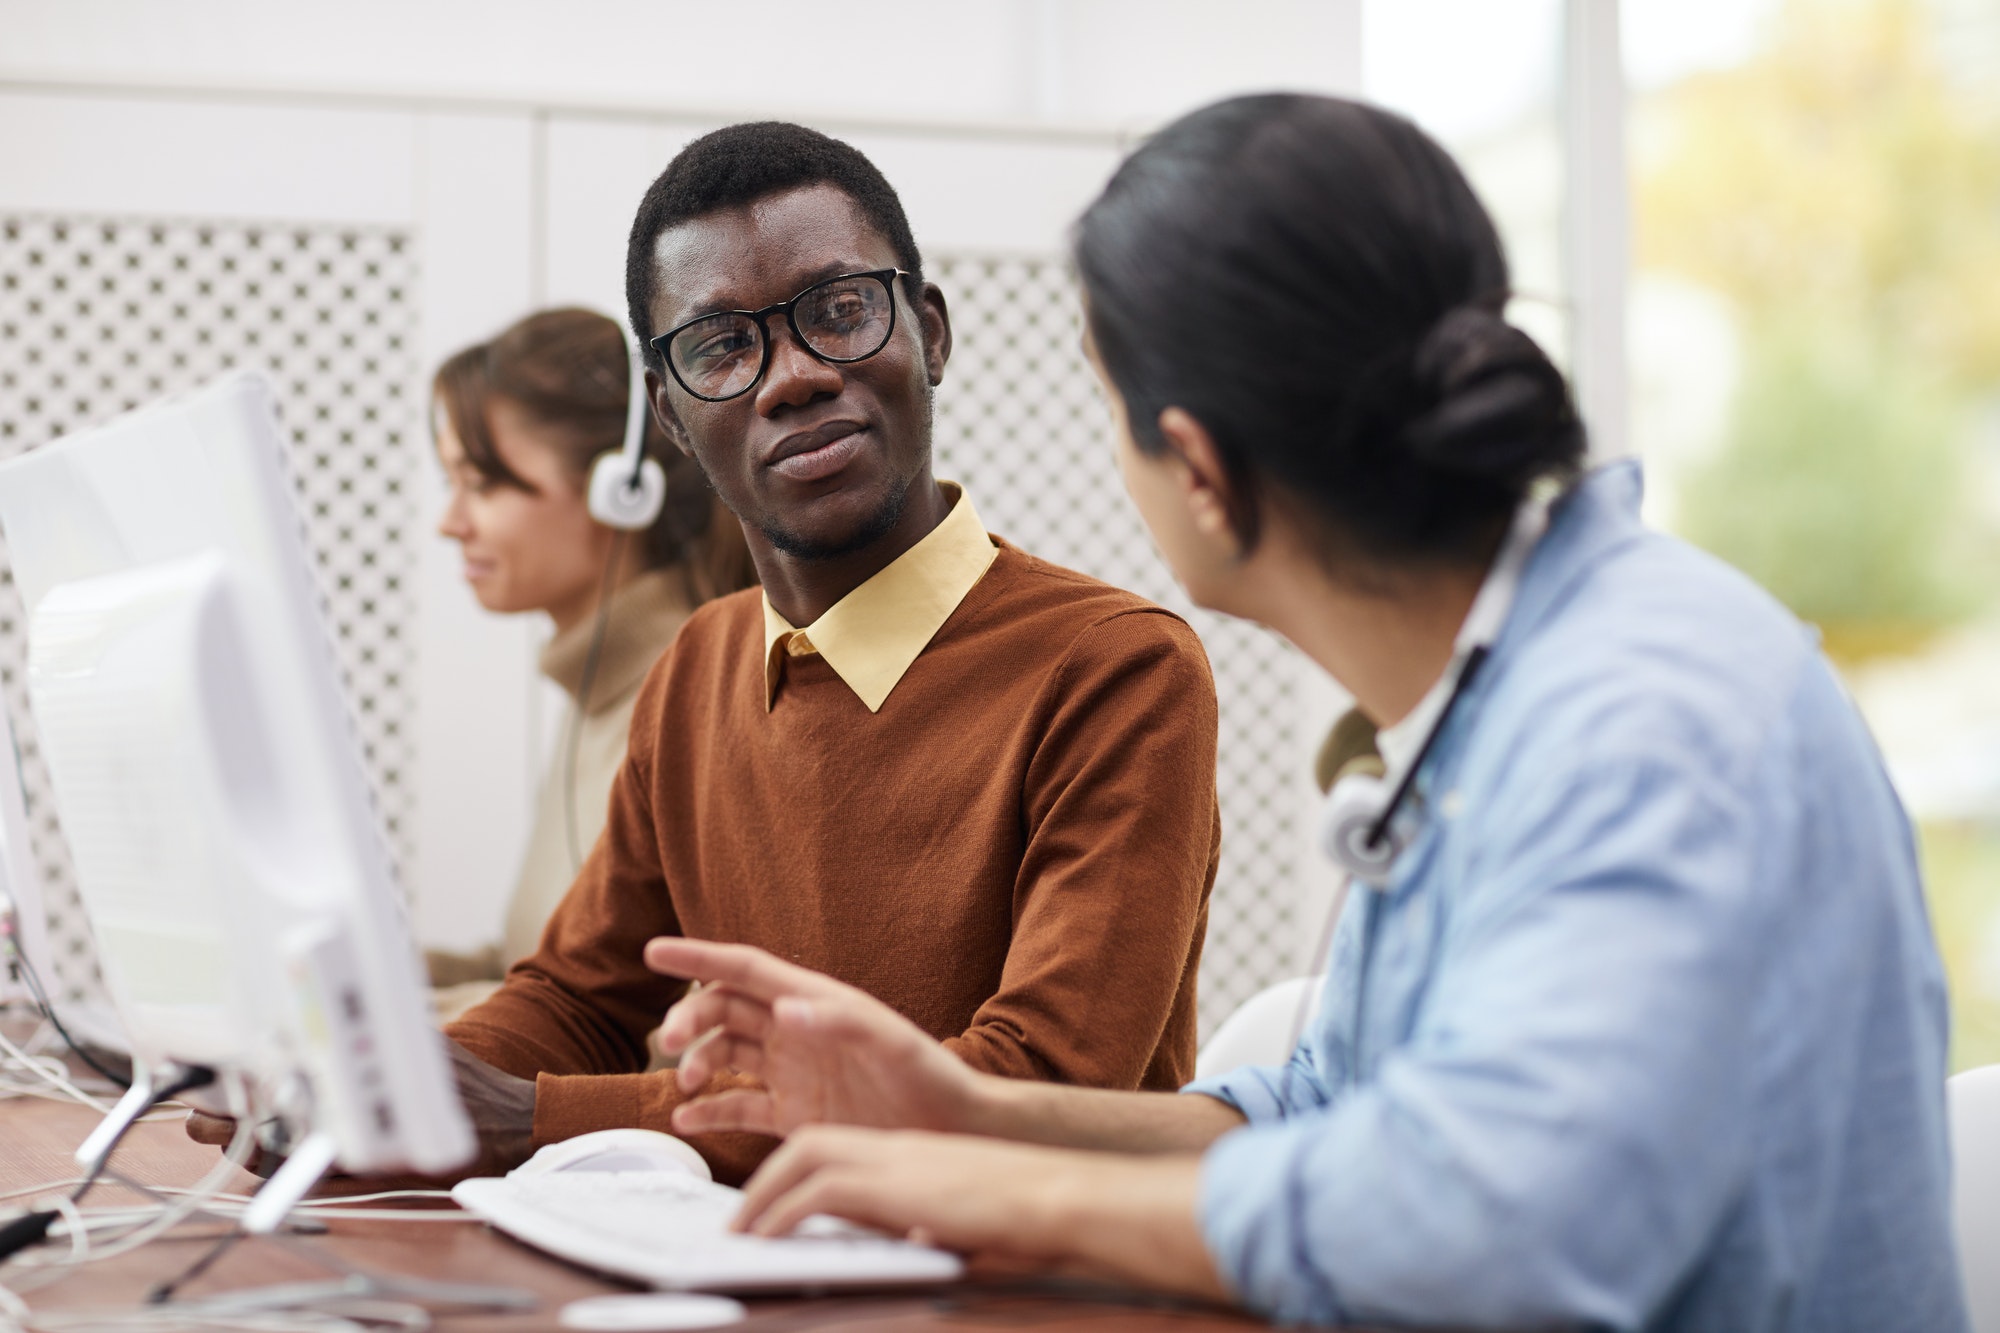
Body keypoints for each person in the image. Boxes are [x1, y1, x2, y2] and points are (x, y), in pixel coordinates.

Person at [641, 95, 1970, 1331]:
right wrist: (959, 1111)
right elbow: (1333, 1110)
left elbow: (1489, 1228)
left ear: (1202, 473)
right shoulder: (1502, 695)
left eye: (1111, 407)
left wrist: (996, 1191)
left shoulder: (1646, 717)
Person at [422, 123, 1221, 1182]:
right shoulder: (698, 667)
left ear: (927, 334)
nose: (790, 377)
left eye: (838, 312)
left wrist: (534, 1118)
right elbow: (574, 999)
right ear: (668, 413)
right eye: (721, 347)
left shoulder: (1116, 669)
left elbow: (1035, 1088)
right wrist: (399, 1091)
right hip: (753, 1265)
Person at [423, 307, 756, 1023]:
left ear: (621, 491)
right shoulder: (594, 692)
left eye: (481, 483)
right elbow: (538, 965)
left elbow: (664, 1028)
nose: (450, 522)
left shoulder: (692, 697)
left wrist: (381, 1023)